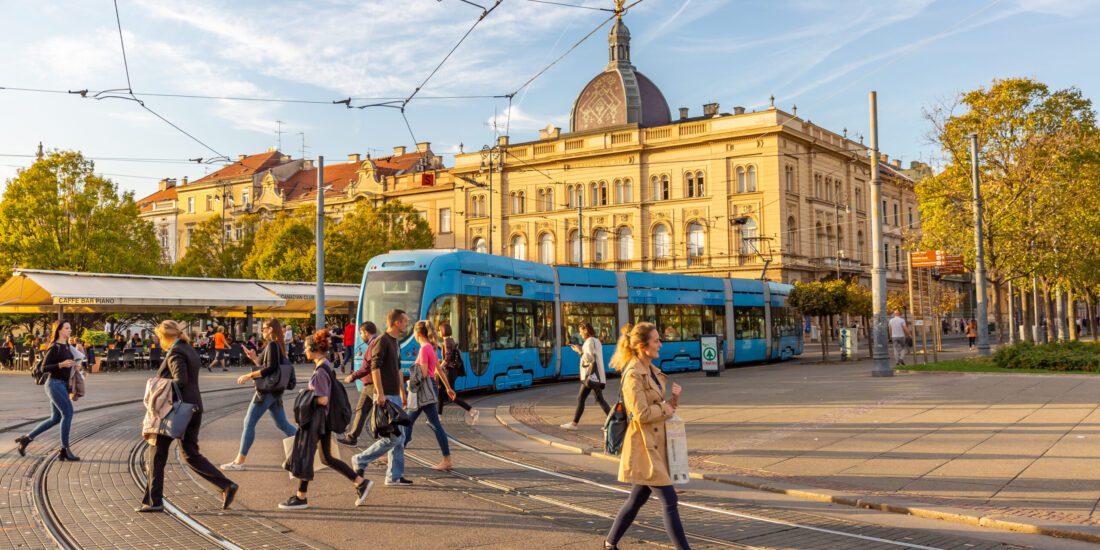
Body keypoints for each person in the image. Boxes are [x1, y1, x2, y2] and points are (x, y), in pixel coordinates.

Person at [604, 322, 689, 550]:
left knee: (637, 499)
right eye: (656, 340)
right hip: (645, 446)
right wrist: (667, 408)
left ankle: (609, 543)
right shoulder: (633, 375)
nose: (660, 344)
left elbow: (659, 407)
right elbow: (640, 414)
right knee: (670, 501)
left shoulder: (650, 369)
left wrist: (673, 401)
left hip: (655, 444)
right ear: (643, 346)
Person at [137, 321, 237, 513]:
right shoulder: (188, 349)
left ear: (166, 337)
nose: (160, 342)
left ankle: (154, 501)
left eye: (160, 338)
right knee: (190, 453)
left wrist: (159, 386)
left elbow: (180, 380)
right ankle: (226, 485)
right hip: (194, 407)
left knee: (157, 454)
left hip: (175, 410)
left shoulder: (175, 352)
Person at [280, 330, 372, 510]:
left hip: (317, 419)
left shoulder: (320, 371)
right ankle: (360, 482)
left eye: (306, 348)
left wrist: (305, 394)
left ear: (315, 349)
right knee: (327, 457)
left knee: (306, 455)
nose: (304, 351)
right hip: (324, 420)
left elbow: (323, 399)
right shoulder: (326, 365)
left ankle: (301, 497)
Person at [221, 319, 297, 471]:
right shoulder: (275, 345)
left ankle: (239, 462)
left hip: (267, 392)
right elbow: (267, 367)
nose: (262, 330)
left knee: (249, 422)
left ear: (271, 329)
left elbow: (270, 368)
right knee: (282, 424)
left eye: (264, 328)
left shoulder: (273, 344)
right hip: (274, 391)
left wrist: (249, 376)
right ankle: (309, 443)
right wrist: (254, 358)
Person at [350, 309, 412, 486]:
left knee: (400, 437)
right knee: (394, 438)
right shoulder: (382, 341)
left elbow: (398, 370)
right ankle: (361, 459)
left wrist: (403, 392)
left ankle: (394, 476)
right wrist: (380, 393)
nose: (407, 324)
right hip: (386, 396)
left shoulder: (396, 342)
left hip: (395, 395)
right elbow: (374, 368)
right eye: (405, 321)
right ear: (397, 323)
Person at [15, 320, 81, 461]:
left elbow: (69, 362)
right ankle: (64, 449)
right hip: (54, 384)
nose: (70, 330)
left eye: (70, 328)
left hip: (62, 384)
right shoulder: (55, 347)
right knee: (68, 413)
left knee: (56, 418)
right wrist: (61, 364)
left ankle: (26, 439)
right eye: (67, 328)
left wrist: (75, 365)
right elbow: (43, 368)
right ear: (59, 330)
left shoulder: (68, 346)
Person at [403, 320, 454, 471]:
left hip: (423, 390)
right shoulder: (431, 347)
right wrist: (448, 388)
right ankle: (395, 453)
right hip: (429, 388)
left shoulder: (424, 349)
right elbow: (438, 369)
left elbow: (424, 373)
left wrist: (409, 382)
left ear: (417, 333)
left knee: (413, 422)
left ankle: (447, 460)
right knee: (409, 421)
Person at [561, 322, 610, 431]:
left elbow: (589, 358)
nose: (580, 333)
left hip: (591, 376)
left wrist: (579, 351)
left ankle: (613, 422)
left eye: (581, 331)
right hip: (595, 376)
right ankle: (574, 423)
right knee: (591, 398)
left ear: (586, 330)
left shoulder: (589, 342)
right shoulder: (596, 341)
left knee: (589, 398)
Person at [338, 322, 380, 446]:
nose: (361, 336)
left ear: (366, 332)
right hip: (369, 384)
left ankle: (388, 438)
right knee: (361, 409)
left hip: (372, 384)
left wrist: (352, 376)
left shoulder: (373, 344)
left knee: (381, 412)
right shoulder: (375, 343)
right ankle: (352, 437)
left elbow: (367, 367)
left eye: (361, 333)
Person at [436, 323, 478, 425]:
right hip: (450, 370)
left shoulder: (446, 342)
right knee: (440, 392)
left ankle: (472, 411)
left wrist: (439, 367)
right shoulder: (451, 340)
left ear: (443, 331)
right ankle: (438, 416)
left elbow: (447, 358)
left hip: (449, 371)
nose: (438, 332)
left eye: (439, 330)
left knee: (451, 395)